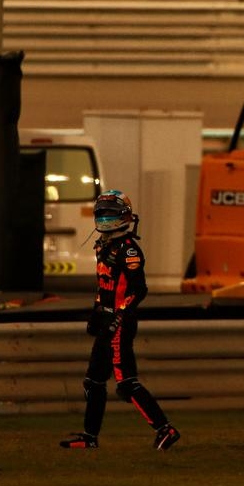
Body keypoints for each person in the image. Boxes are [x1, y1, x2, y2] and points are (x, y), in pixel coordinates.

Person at [60, 190, 180, 451]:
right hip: (106, 319)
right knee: (93, 382)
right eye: (101, 212)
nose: (105, 217)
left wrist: (118, 315)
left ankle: (165, 429)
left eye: (110, 213)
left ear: (124, 216)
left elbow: (138, 290)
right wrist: (96, 312)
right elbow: (104, 286)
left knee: (125, 384)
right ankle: (89, 437)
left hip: (120, 322)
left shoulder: (129, 250)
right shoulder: (102, 246)